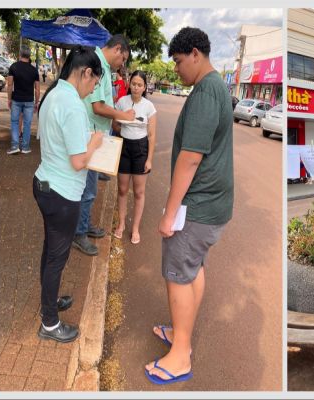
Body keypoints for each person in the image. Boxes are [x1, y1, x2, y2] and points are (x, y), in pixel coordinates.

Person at [145, 27, 234, 385]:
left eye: (179, 62)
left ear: (195, 54)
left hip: (197, 206)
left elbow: (190, 158)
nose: (177, 69)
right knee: (193, 268)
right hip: (211, 205)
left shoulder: (206, 92)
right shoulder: (213, 88)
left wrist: (169, 213)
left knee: (177, 273)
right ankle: (181, 331)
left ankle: (180, 354)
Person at [33, 46, 104, 342]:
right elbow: (79, 161)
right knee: (56, 258)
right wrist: (96, 142)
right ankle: (49, 324)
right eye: (95, 83)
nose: (93, 90)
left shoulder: (53, 95)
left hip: (45, 183)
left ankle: (48, 304)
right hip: (62, 193)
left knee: (51, 252)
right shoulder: (73, 104)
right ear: (86, 72)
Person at [72, 34, 135, 257]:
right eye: (124, 59)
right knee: (87, 189)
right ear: (117, 49)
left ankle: (85, 224)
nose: (122, 64)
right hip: (90, 134)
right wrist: (123, 116)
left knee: (90, 188)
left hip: (96, 134)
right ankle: (79, 234)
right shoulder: (97, 64)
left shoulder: (103, 66)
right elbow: (98, 106)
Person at [111, 70, 157, 245]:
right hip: (124, 146)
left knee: (139, 192)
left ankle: (135, 227)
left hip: (140, 149)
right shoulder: (122, 102)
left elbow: (152, 135)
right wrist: (121, 120)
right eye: (134, 83)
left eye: (140, 85)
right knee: (122, 189)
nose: (136, 87)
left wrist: (149, 159)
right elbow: (114, 125)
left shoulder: (149, 107)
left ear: (145, 87)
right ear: (129, 83)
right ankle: (121, 223)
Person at [7, 45, 40, 154]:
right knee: (27, 124)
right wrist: (37, 102)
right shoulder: (34, 70)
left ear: (20, 54)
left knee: (15, 122)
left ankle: (15, 146)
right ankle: (25, 148)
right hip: (29, 101)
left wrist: (9, 99)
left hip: (16, 100)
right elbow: (37, 89)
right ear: (29, 55)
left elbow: (10, 85)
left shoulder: (13, 67)